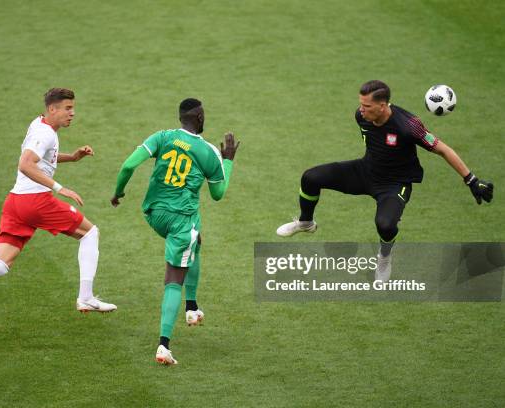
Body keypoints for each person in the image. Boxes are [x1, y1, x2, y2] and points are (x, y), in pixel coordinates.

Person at [0, 88, 116, 324]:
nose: (73, 113)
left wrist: (72, 157)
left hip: (15, 202)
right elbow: (26, 164)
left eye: (73, 108)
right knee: (90, 233)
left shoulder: (40, 125)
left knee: (0, 263)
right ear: (53, 109)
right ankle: (86, 296)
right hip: (36, 202)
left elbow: (42, 157)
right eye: (68, 108)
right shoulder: (45, 133)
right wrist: (61, 189)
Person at [277, 80, 493, 281]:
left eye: (367, 106)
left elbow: (443, 149)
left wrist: (471, 180)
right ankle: (306, 223)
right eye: (361, 104)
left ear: (383, 106)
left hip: (394, 184)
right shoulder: (361, 116)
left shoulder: (410, 126)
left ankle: (384, 256)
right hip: (365, 171)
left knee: (386, 225)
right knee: (311, 178)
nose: (362, 109)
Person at [111, 98, 239, 365]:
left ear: (181, 118)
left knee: (196, 240)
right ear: (201, 118)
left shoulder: (163, 136)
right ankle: (163, 345)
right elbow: (218, 194)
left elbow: (128, 166)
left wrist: (118, 192)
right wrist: (227, 161)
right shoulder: (207, 152)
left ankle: (192, 307)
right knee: (173, 278)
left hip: (154, 214)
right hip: (180, 222)